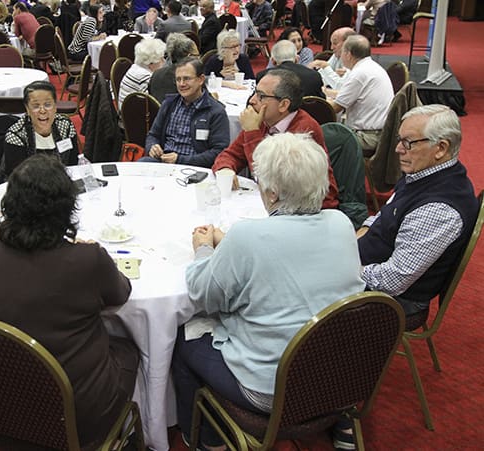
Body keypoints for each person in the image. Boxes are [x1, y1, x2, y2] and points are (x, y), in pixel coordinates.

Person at [173, 132, 366, 449]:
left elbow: (200, 294)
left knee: (185, 335)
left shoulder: (249, 236)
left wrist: (204, 250)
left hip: (270, 390)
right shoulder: (341, 223)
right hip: (340, 377)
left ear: (272, 192)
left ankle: (203, 439)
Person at [0, 153, 139, 447]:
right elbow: (121, 292)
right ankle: (133, 435)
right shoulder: (85, 261)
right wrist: (86, 252)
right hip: (74, 415)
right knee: (131, 347)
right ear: (66, 210)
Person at [357, 105, 478, 317]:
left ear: (440, 148)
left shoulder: (439, 209)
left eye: (408, 143)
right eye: (399, 139)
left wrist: (338, 269)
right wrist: (359, 235)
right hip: (366, 267)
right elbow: (386, 214)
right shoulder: (422, 173)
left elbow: (392, 281)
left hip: (391, 301)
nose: (398, 149)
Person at [212, 69, 339, 209]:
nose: (252, 101)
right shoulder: (263, 120)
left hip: (309, 211)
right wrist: (225, 168)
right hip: (275, 204)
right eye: (254, 92)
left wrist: (252, 133)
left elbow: (271, 179)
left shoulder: (304, 130)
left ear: (283, 105)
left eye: (261, 96)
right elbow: (230, 154)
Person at [143, 57, 229, 168]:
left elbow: (219, 151)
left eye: (187, 79)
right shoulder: (169, 104)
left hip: (194, 167)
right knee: (140, 168)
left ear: (201, 79)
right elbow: (153, 135)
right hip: (164, 162)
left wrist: (180, 160)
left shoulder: (215, 111)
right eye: (178, 79)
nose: (182, 84)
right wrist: (152, 146)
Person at [0, 81, 79, 182]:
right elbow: (16, 179)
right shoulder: (16, 135)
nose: (42, 111)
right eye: (35, 106)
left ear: (55, 106)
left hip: (61, 184)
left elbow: (73, 165)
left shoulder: (66, 126)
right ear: (27, 109)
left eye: (48, 105)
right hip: (27, 189)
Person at [325, 35, 393, 152]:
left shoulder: (359, 73)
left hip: (367, 137)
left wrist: (313, 104)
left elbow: (335, 108)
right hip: (379, 132)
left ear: (348, 54)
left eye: (342, 52)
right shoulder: (372, 67)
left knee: (319, 139)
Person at [256, 39, 324, 98]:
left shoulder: (263, 76)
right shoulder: (314, 76)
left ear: (273, 61)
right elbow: (321, 102)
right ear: (297, 59)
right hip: (308, 112)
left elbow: (256, 102)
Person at [149, 32, 198, 102]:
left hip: (159, 112)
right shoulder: (192, 78)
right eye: (197, 56)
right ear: (190, 57)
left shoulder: (156, 74)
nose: (199, 59)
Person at [118, 38, 165, 110]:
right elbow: (153, 105)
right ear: (151, 62)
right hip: (136, 116)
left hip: (127, 111)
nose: (164, 62)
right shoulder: (145, 77)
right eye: (161, 59)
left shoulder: (135, 67)